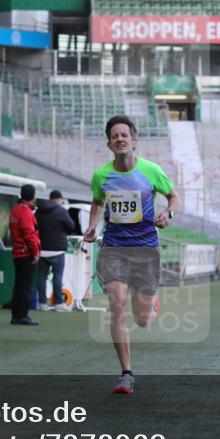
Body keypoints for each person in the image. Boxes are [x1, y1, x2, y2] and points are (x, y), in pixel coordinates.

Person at [84, 115, 181, 395]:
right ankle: (126, 373)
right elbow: (97, 202)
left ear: (134, 141)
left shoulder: (151, 171)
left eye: (124, 135)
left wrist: (168, 213)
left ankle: (151, 303)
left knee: (142, 319)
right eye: (114, 136)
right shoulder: (101, 176)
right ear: (109, 144)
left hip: (146, 249)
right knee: (116, 305)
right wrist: (92, 225)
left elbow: (174, 197)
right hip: (114, 248)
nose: (120, 139)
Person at [36, 189, 77, 311]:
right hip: (57, 250)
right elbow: (71, 227)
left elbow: (33, 227)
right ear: (59, 199)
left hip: (41, 250)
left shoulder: (38, 211)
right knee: (57, 277)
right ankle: (58, 303)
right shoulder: (61, 211)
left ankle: (42, 303)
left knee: (41, 277)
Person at [8, 184, 41, 325]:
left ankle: (16, 315)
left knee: (19, 285)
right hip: (26, 254)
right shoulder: (26, 213)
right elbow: (29, 235)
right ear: (33, 196)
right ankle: (21, 315)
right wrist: (35, 253)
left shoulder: (15, 211)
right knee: (24, 286)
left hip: (17, 252)